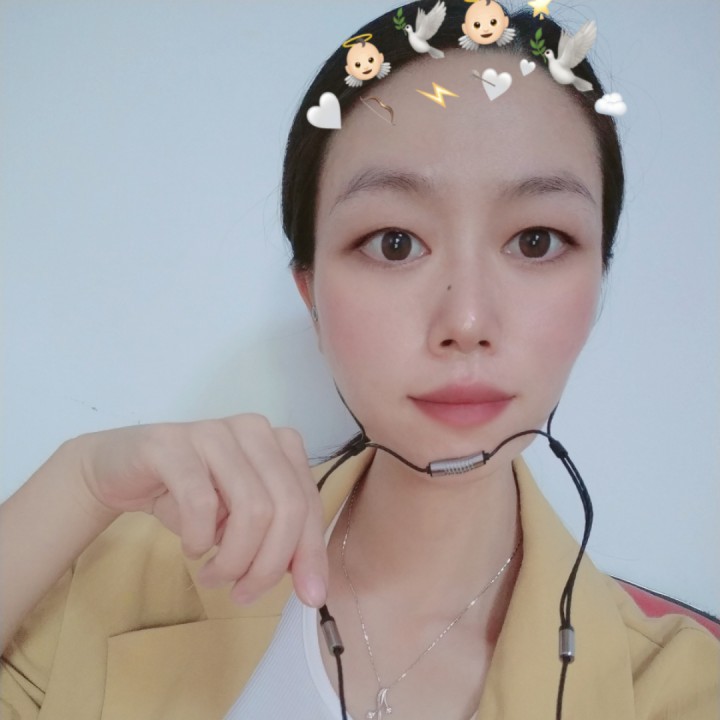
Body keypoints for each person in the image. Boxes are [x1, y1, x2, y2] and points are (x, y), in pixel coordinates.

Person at [1, 3, 718, 719]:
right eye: (394, 243)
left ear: (598, 282)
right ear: (310, 296)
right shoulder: (126, 577)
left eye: (537, 241)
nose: (467, 322)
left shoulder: (682, 686)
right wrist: (81, 480)